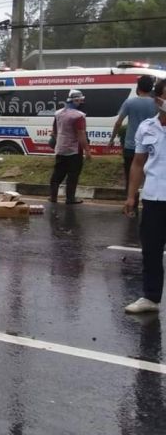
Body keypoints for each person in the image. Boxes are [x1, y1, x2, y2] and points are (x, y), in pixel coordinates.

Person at [124, 78, 166, 314]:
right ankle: (150, 298)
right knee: (150, 250)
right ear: (157, 99)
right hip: (153, 199)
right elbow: (138, 164)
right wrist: (131, 196)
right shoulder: (146, 127)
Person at [109, 75, 157, 215]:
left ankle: (132, 204)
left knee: (131, 175)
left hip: (131, 146)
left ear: (138, 87)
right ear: (151, 88)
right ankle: (150, 206)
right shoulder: (156, 103)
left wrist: (112, 139)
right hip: (151, 146)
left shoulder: (130, 102)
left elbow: (119, 122)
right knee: (149, 175)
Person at [50, 89, 91, 204]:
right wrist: (87, 150)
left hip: (61, 148)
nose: (81, 103)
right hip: (74, 150)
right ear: (76, 100)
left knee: (57, 174)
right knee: (73, 175)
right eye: (80, 100)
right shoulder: (78, 116)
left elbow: (54, 131)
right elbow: (81, 134)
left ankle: (53, 197)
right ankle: (70, 198)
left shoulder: (58, 113)